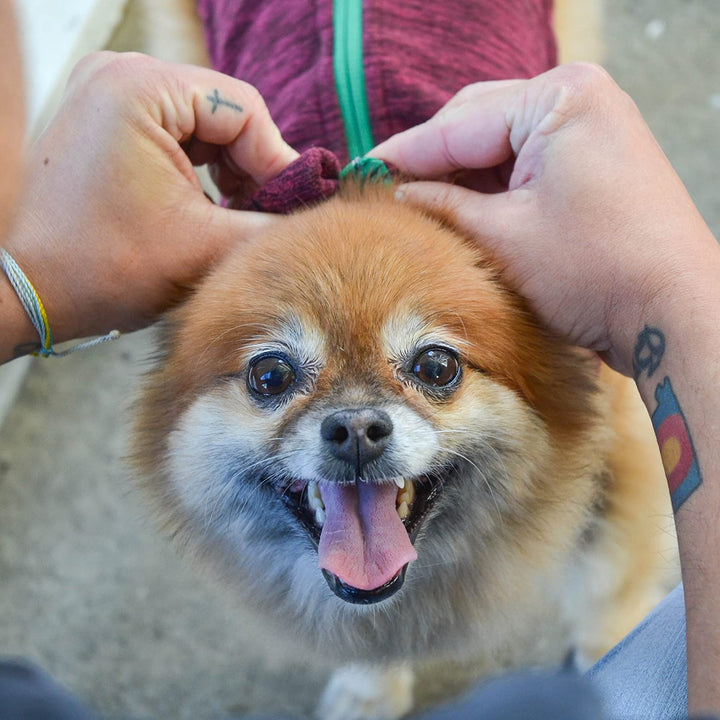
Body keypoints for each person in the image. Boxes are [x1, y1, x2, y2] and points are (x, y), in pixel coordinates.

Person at [2, 3, 719, 719]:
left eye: (435, 368)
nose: (356, 426)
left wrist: (610, 629)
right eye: (272, 377)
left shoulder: (550, 279)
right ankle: (379, 667)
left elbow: (614, 472)